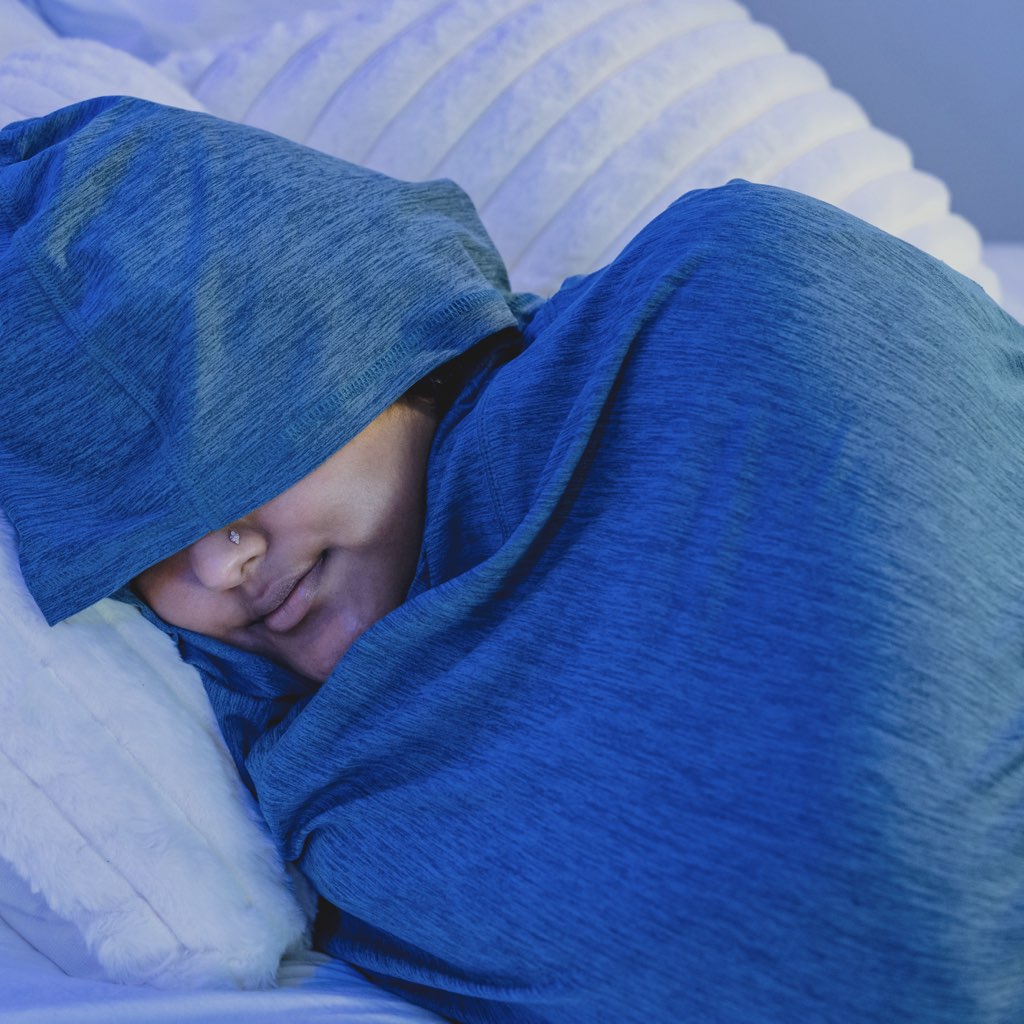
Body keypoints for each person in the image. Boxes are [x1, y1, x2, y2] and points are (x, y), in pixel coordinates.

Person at [3, 95, 1024, 1024]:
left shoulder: (728, 296)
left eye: (229, 468)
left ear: (350, 327)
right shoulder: (321, 779)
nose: (221, 566)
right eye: (136, 546)